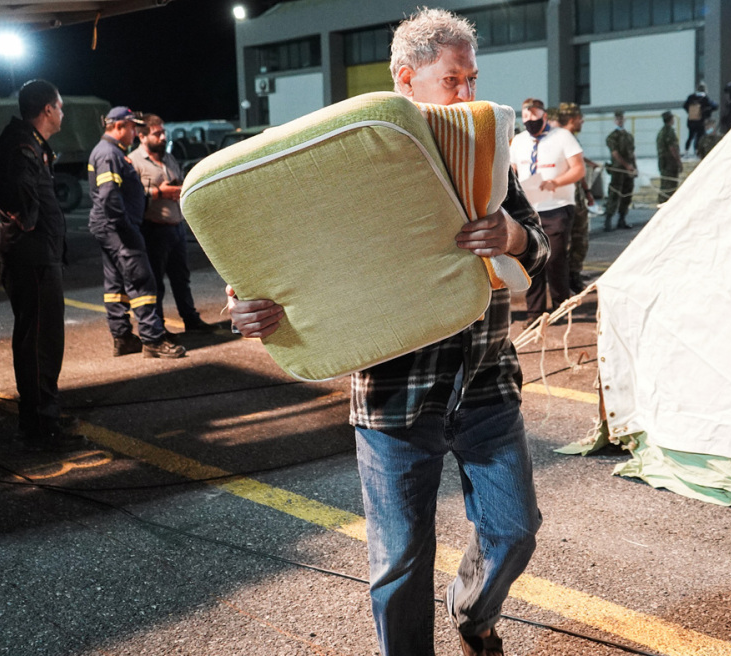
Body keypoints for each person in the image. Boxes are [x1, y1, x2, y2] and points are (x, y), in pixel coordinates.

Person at [228, 9, 549, 656]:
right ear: (407, 79)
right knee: (400, 562)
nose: (468, 93)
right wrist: (250, 304)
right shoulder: (353, 159)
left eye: (472, 77)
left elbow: (536, 247)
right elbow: (285, 249)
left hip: (488, 382)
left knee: (515, 530)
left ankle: (473, 611)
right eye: (453, 79)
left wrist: (514, 236)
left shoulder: (486, 151)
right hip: (393, 398)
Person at [0, 79, 86, 452]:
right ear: (47, 109)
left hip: (34, 255)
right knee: (39, 343)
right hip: (31, 257)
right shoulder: (21, 145)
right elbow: (24, 206)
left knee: (40, 340)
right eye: (60, 107)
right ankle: (41, 424)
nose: (62, 113)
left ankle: (41, 416)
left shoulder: (25, 141)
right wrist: (29, 221)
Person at [88, 107, 186, 359]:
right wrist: (127, 227)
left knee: (115, 284)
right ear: (120, 126)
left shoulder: (109, 152)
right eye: (133, 127)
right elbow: (110, 195)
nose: (135, 133)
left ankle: (122, 338)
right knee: (142, 280)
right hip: (119, 229)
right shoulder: (109, 154)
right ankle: (153, 340)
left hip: (109, 228)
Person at [129, 114, 218, 335]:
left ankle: (190, 319)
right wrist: (159, 193)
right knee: (155, 283)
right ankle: (157, 326)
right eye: (156, 133)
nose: (162, 137)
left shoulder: (169, 158)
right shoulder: (133, 161)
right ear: (142, 136)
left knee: (181, 278)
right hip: (154, 229)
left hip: (176, 227)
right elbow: (132, 195)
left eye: (163, 132)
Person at [510, 97, 585, 324]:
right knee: (532, 259)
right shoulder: (519, 141)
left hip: (557, 206)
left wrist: (556, 182)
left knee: (555, 259)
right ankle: (535, 315)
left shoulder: (562, 137)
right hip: (528, 208)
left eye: (534, 115)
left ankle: (561, 308)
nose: (529, 120)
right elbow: (513, 170)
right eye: (525, 116)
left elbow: (579, 169)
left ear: (544, 115)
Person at [556, 102, 594, 294]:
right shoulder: (557, 140)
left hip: (577, 197)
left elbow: (580, 170)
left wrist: (587, 192)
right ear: (572, 120)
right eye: (580, 118)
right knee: (565, 241)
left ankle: (573, 275)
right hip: (564, 199)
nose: (582, 121)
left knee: (580, 239)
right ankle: (564, 279)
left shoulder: (571, 139)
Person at [603, 110, 636, 231]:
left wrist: (634, 167)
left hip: (628, 170)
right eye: (618, 119)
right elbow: (615, 154)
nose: (620, 121)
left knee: (627, 195)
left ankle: (622, 219)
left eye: (621, 119)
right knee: (614, 195)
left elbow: (632, 154)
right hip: (618, 170)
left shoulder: (628, 136)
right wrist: (627, 166)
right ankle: (608, 220)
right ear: (615, 121)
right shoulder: (612, 137)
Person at [682, 82, 718, 156]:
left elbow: (684, 106)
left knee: (690, 136)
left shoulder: (691, 97)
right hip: (700, 121)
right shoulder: (705, 98)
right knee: (699, 136)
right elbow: (715, 106)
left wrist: (691, 112)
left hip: (691, 120)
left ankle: (686, 151)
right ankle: (697, 151)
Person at [656, 111, 682, 204]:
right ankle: (666, 204)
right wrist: (678, 161)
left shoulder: (661, 132)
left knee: (665, 185)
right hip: (670, 164)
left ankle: (662, 203)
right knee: (670, 186)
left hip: (663, 163)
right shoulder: (669, 131)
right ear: (671, 119)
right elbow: (672, 148)